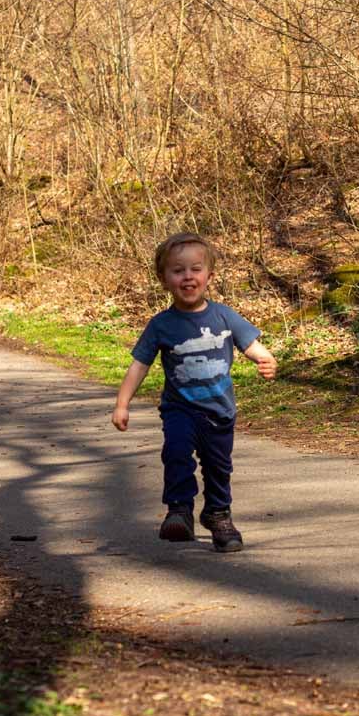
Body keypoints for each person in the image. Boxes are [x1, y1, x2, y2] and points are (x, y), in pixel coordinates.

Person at [112, 232, 277, 552]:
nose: (188, 276)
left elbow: (252, 346)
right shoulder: (161, 325)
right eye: (178, 270)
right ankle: (179, 511)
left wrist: (266, 360)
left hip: (220, 411)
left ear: (209, 276)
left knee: (218, 467)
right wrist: (122, 404)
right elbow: (138, 365)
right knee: (176, 455)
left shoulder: (224, 315)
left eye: (195, 269)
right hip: (180, 409)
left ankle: (218, 515)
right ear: (164, 279)